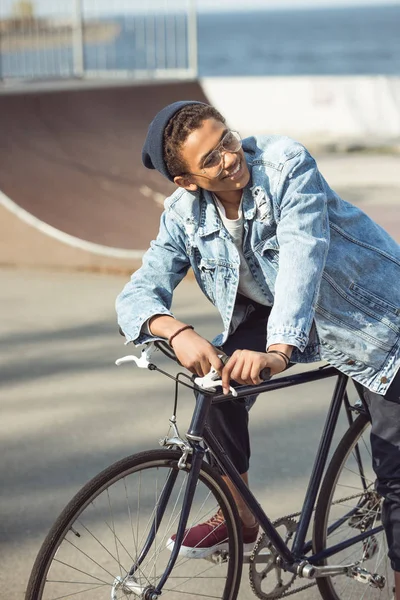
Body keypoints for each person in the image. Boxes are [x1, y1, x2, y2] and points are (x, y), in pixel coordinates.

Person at [116, 101, 400, 591]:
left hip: (371, 317)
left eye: (227, 139)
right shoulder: (183, 214)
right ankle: (241, 516)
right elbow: (139, 291)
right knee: (215, 384)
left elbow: (301, 258)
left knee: (395, 473)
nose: (229, 157)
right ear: (186, 181)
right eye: (210, 159)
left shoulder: (285, 165)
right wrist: (174, 330)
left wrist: (278, 350)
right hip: (280, 314)